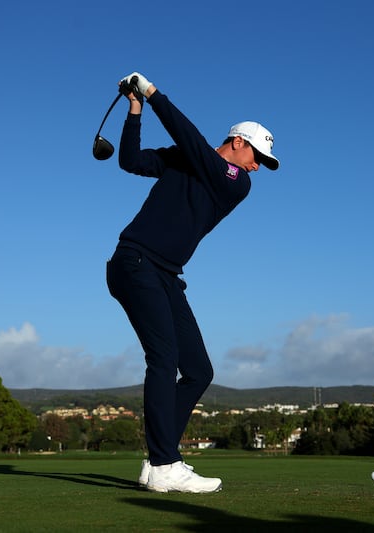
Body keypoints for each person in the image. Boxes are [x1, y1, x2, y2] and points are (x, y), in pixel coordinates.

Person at [105, 72, 279, 493]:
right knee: (163, 360)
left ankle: (157, 458)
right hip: (135, 263)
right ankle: (166, 463)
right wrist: (136, 108)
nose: (258, 165)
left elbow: (192, 140)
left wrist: (152, 92)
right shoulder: (188, 158)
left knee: (198, 371)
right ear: (238, 141)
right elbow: (130, 160)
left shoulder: (237, 183)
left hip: (165, 274)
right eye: (257, 155)